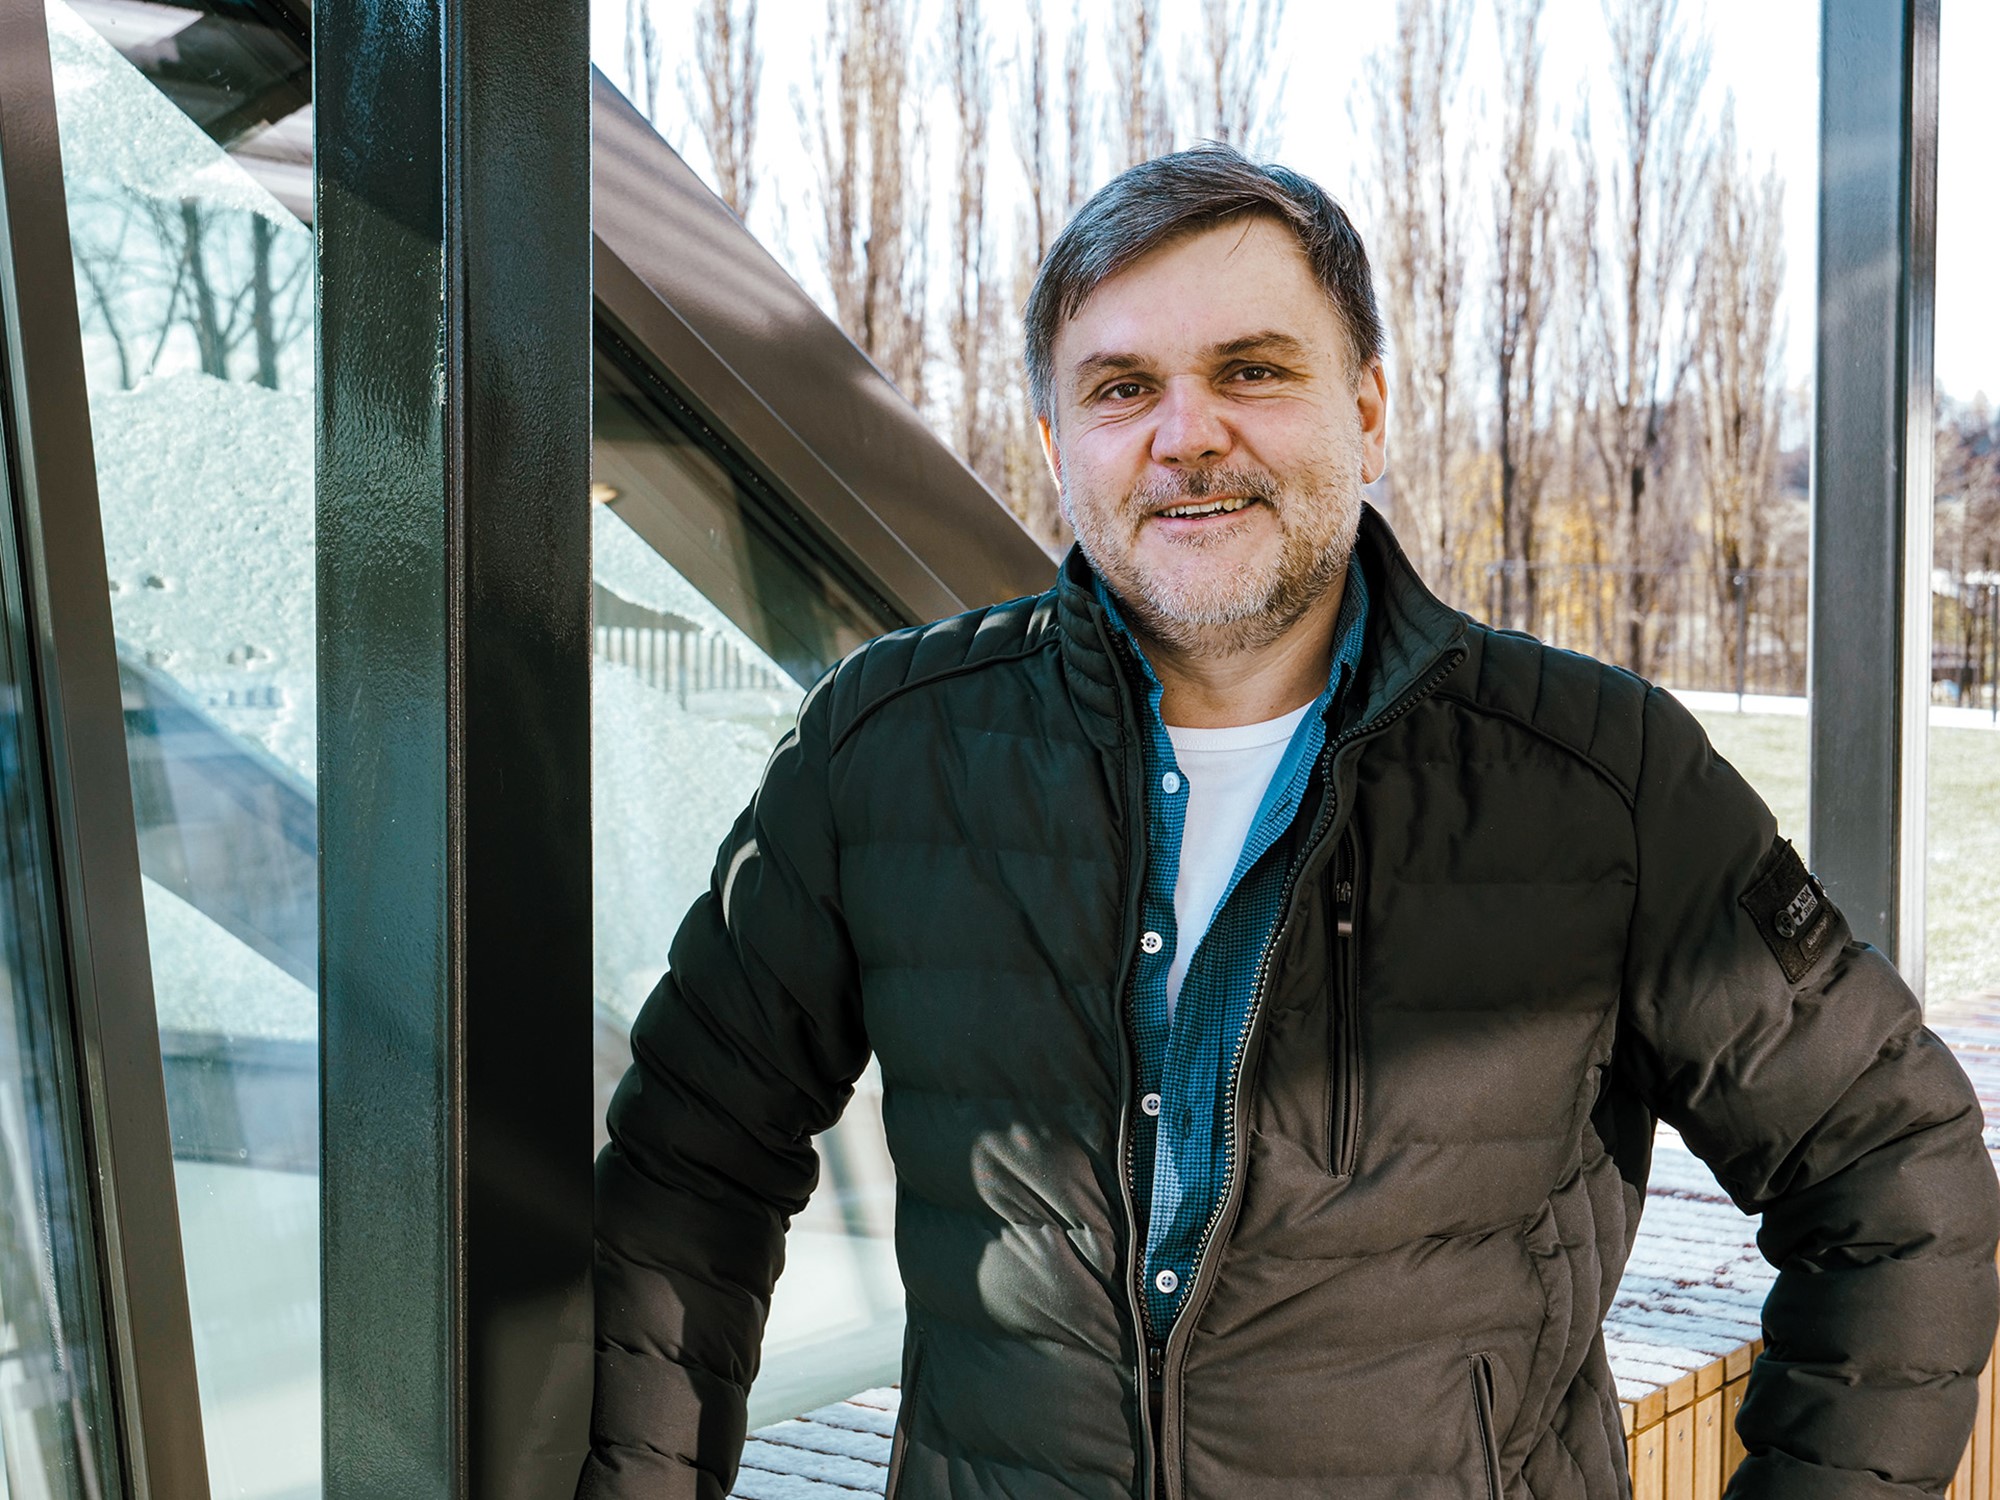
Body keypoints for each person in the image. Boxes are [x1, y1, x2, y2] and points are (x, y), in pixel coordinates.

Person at [575, 144, 1999, 1500]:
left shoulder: (1598, 775)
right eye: (1122, 388)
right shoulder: (888, 747)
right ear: (1058, 444)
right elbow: (689, 1164)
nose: (1187, 433)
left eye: (1251, 371)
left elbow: (1897, 1184)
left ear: (1367, 410)